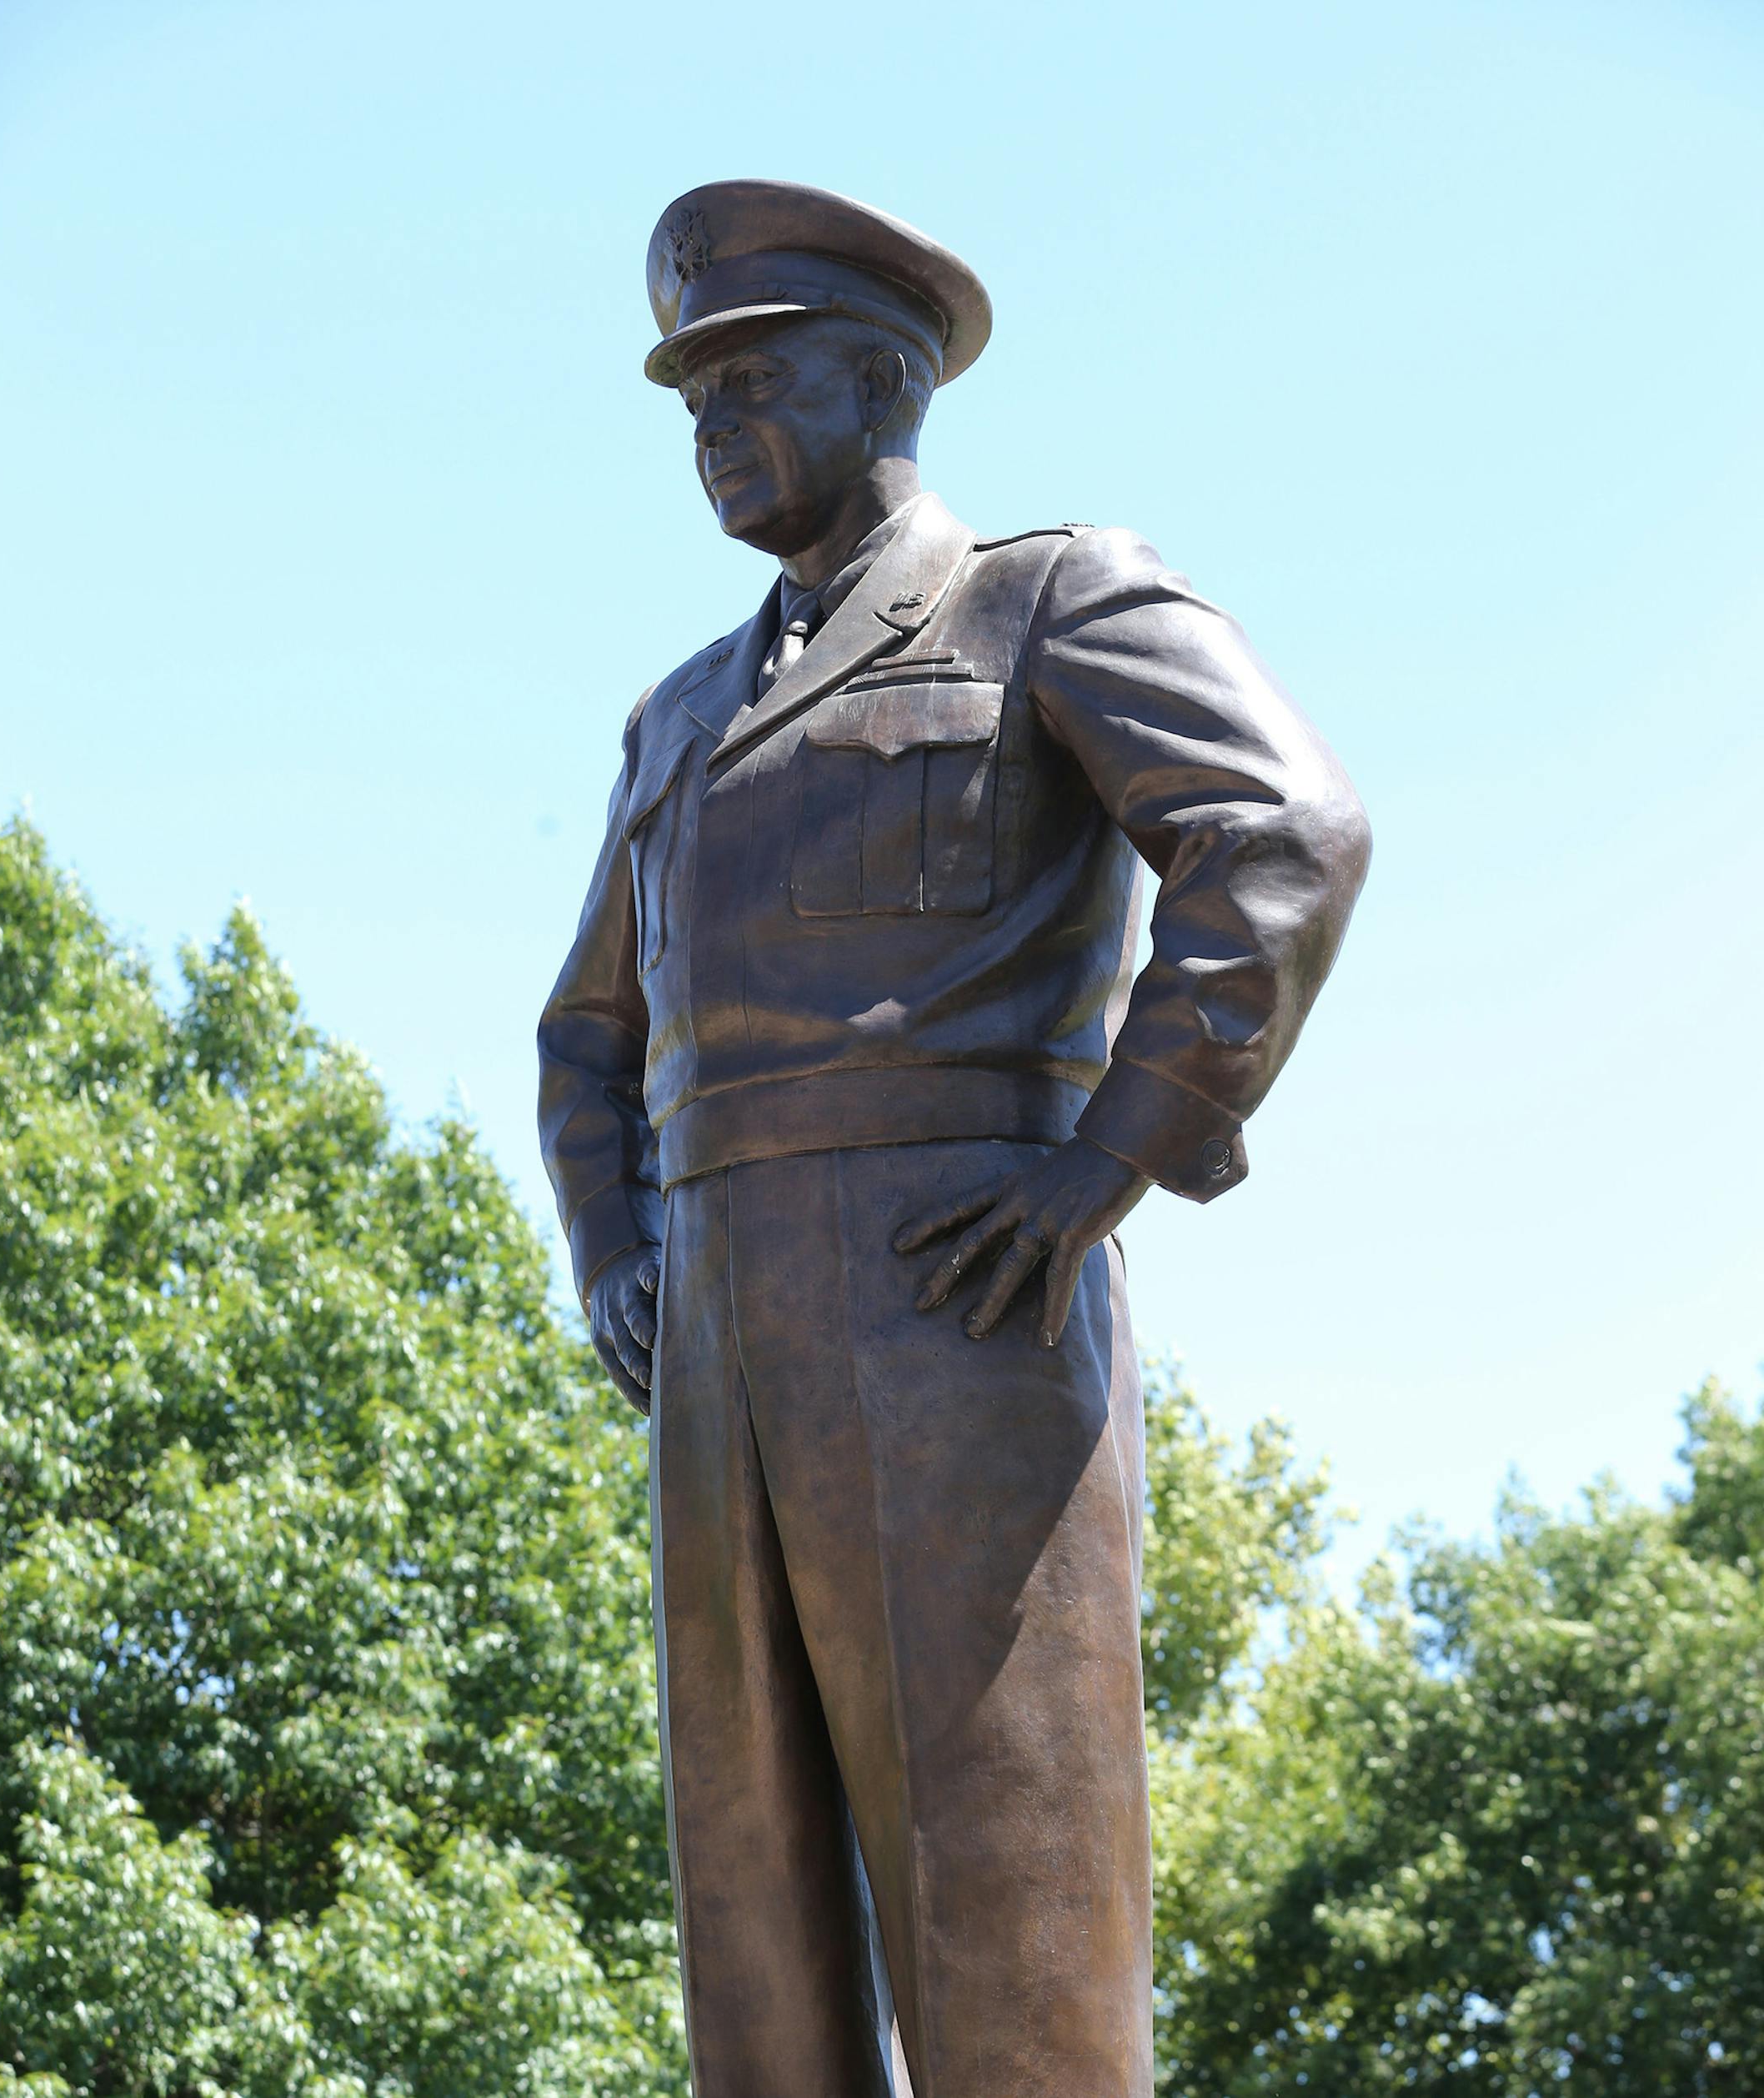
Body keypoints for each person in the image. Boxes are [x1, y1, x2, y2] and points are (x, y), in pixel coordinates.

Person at [538, 178, 1371, 2098]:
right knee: (751, 1911)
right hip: (714, 1334)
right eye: (690, 397)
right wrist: (614, 1256)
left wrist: (1114, 1153)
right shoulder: (673, 715)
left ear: (884, 376)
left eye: (752, 378)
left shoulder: (1045, 595)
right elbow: (586, 1033)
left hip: (953, 1293)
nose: (711, 422)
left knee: (1006, 1883)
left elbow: (1288, 834)